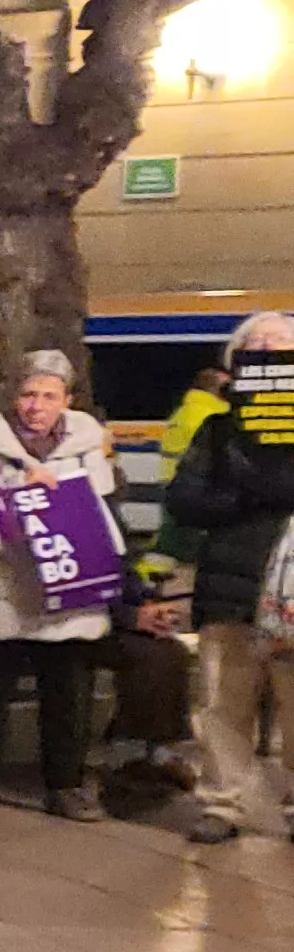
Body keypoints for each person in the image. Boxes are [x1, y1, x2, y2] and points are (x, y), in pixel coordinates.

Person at [157, 313, 294, 843]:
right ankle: (223, 802)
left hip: (288, 592)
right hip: (230, 587)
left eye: (278, 347)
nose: (266, 354)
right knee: (222, 702)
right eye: (255, 347)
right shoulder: (216, 431)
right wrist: (246, 494)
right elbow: (185, 501)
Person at [0, 351, 117, 819]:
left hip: (69, 588)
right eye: (29, 394)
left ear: (66, 401)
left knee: (67, 690)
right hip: (7, 580)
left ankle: (65, 784)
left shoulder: (88, 446)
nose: (36, 405)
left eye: (48, 396)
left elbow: (104, 506)